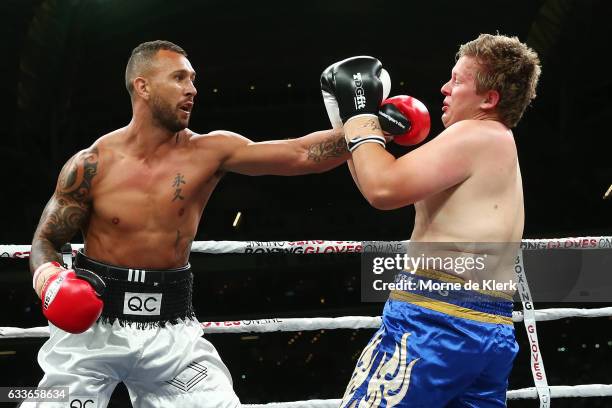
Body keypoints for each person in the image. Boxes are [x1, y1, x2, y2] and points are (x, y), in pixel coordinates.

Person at [26, 40, 362, 408]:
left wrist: (371, 126)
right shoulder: (91, 163)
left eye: (193, 79)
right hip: (91, 326)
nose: (192, 89)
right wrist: (51, 281)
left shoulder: (210, 151)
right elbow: (47, 239)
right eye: (179, 78)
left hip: (172, 332)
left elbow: (301, 154)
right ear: (143, 86)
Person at [321, 34, 541, 407]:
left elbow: (383, 190)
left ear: (489, 99)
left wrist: (358, 113)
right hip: (486, 328)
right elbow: (377, 180)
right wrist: (347, 124)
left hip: (435, 323)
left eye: (457, 80)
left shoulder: (475, 134)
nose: (444, 88)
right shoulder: (493, 141)